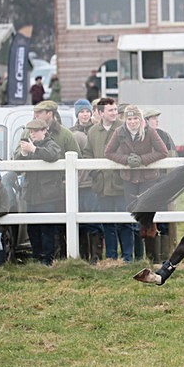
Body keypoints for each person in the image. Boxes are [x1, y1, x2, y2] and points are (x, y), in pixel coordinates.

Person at [105, 105, 169, 263]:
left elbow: (163, 151)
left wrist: (143, 160)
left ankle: (151, 258)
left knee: (148, 216)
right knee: (133, 215)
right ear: (125, 120)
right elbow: (108, 152)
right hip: (129, 179)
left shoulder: (150, 131)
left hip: (148, 179)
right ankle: (134, 257)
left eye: (135, 118)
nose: (132, 122)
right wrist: (126, 160)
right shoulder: (119, 132)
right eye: (129, 118)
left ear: (140, 120)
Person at [86, 97, 133, 262]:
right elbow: (87, 153)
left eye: (115, 110)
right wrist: (95, 172)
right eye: (110, 110)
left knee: (125, 221)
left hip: (121, 183)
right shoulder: (92, 132)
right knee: (107, 222)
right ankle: (111, 257)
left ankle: (128, 257)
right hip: (102, 185)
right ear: (100, 113)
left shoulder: (124, 128)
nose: (114, 113)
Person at [14, 118, 62, 265]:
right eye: (31, 131)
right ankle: (37, 257)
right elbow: (17, 168)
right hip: (31, 196)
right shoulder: (30, 146)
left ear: (44, 131)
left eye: (35, 131)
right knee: (33, 229)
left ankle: (48, 259)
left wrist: (33, 150)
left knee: (47, 229)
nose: (32, 134)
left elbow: (53, 155)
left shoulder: (51, 144)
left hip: (47, 196)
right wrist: (23, 153)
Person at [71, 99, 103, 263]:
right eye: (81, 111)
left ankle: (96, 256)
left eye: (87, 111)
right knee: (79, 222)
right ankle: (82, 257)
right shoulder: (71, 132)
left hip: (92, 183)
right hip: (76, 184)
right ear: (77, 114)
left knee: (94, 220)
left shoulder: (97, 131)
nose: (84, 114)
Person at [144, 108, 177, 261]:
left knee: (164, 219)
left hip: (162, 183)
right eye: (153, 118)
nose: (156, 120)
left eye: (156, 118)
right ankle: (152, 256)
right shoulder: (141, 137)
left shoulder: (164, 136)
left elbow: (172, 157)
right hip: (146, 182)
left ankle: (164, 256)